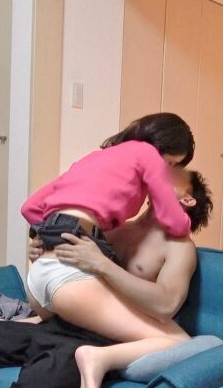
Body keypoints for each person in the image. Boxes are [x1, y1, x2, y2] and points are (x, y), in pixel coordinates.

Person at [0, 169, 213, 388]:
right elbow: (53, 296)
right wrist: (40, 258)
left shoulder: (179, 247)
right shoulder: (112, 227)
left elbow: (166, 304)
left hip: (98, 339)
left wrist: (103, 265)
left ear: (187, 199)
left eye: (172, 175)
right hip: (58, 323)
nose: (159, 174)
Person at [22, 112, 194, 324]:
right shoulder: (148, 153)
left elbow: (30, 207)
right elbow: (175, 222)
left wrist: (46, 236)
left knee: (55, 327)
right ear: (165, 145)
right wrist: (187, 222)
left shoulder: (96, 157)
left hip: (39, 272)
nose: (167, 174)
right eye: (171, 164)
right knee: (170, 336)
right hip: (72, 260)